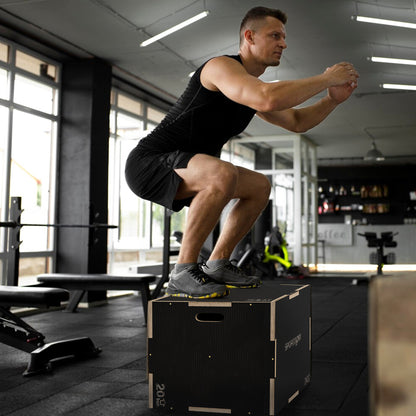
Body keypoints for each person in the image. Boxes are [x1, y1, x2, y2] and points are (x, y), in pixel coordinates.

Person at [125, 6, 359, 299]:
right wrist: (326, 78)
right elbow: (267, 97)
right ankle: (182, 272)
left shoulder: (249, 91)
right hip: (149, 163)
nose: (283, 44)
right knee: (222, 173)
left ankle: (217, 263)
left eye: (284, 38)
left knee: (259, 186)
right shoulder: (220, 67)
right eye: (275, 36)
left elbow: (297, 121)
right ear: (249, 36)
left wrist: (331, 100)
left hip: (188, 166)